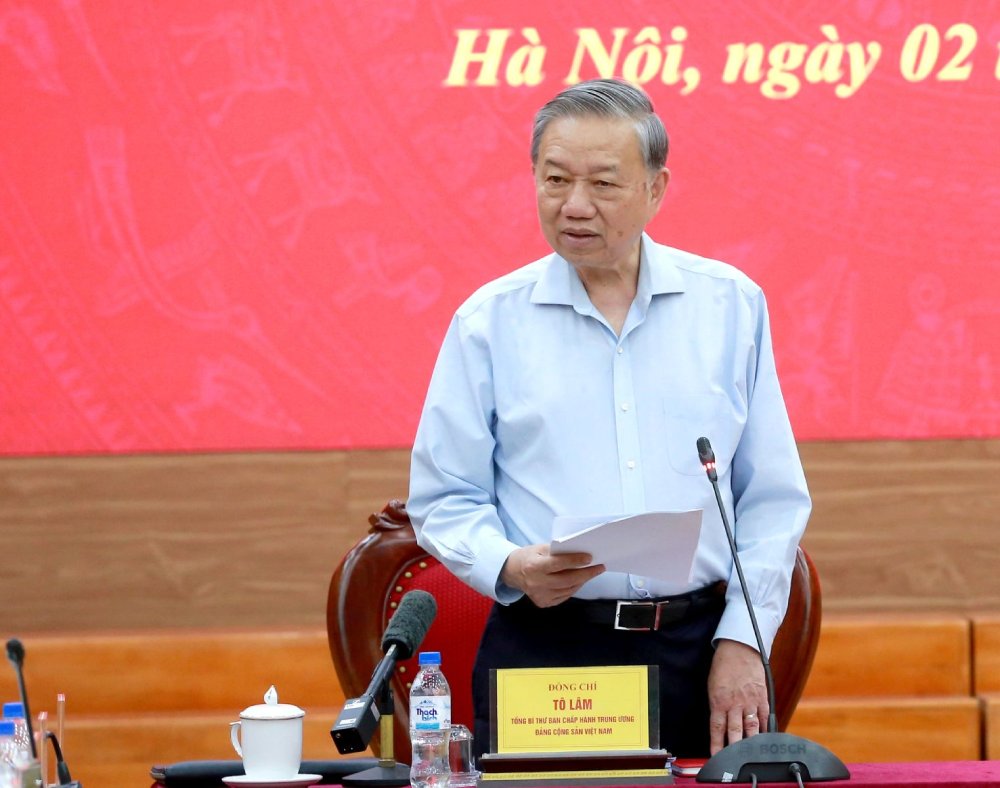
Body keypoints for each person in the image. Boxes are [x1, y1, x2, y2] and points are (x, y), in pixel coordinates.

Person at [407, 78, 810, 759]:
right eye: (555, 179)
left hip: (698, 650)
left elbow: (772, 501)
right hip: (549, 652)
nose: (574, 205)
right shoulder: (488, 323)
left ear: (656, 188)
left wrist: (744, 639)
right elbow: (443, 498)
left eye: (603, 183)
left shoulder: (729, 307)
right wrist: (511, 564)